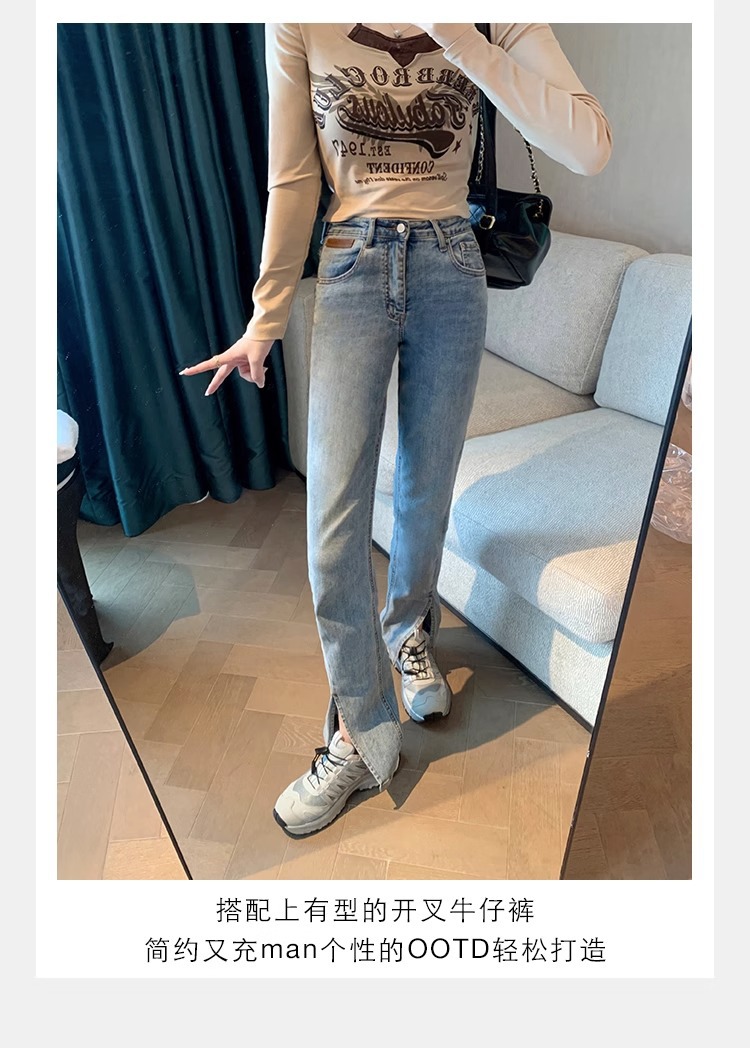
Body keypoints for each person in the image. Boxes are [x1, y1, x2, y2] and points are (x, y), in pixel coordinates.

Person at [180, 23, 613, 838]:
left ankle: (409, 632)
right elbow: (293, 177)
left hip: (454, 264)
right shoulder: (300, 18)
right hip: (351, 261)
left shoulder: (488, 16)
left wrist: (459, 35)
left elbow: (589, 147)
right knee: (333, 522)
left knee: (426, 487)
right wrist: (266, 316)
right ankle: (359, 731)